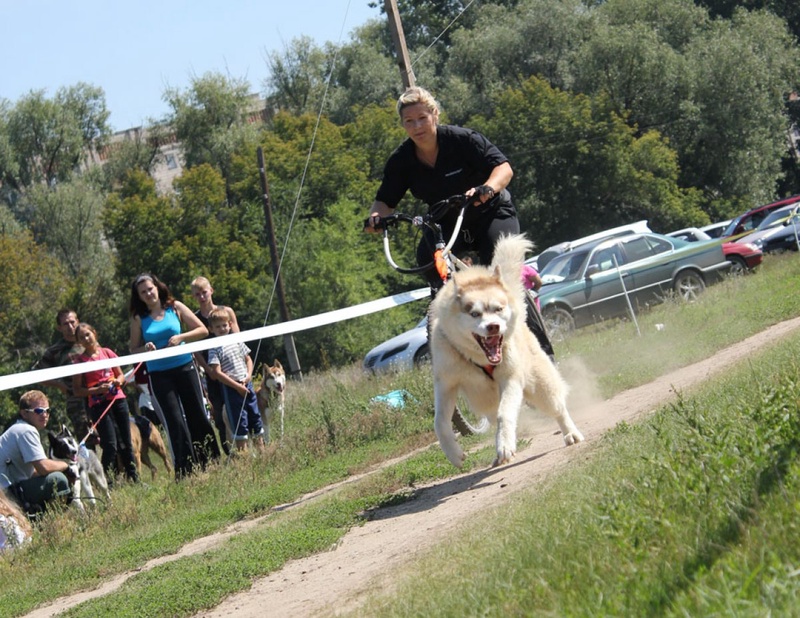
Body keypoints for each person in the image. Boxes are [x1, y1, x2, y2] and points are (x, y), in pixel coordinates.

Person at [365, 85, 519, 294]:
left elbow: (503, 168)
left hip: (490, 214)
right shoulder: (401, 161)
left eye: (422, 118)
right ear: (402, 124)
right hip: (445, 224)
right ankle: (448, 309)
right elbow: (384, 201)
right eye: (409, 121)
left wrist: (488, 188)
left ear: (435, 114)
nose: (417, 126)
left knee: (500, 268)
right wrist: (376, 218)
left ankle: (525, 320)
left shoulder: (463, 140)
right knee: (427, 260)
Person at [128, 273, 220, 478]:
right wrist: (145, 347)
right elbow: (133, 349)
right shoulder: (138, 318)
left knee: (197, 413)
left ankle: (211, 461)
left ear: (157, 287)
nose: (148, 294)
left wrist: (181, 337)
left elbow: (202, 330)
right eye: (143, 292)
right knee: (174, 420)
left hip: (185, 367)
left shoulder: (175, 307)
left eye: (150, 289)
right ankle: (186, 470)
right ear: (139, 296)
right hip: (159, 374)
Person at [71, 323, 139, 484]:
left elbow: (121, 376)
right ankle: (105, 481)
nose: (86, 339)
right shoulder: (79, 362)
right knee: (110, 445)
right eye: (82, 338)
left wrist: (117, 381)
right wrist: (96, 390)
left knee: (126, 442)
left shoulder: (107, 353)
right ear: (79, 342)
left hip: (118, 400)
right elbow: (77, 390)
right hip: (98, 405)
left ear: (94, 333)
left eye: (88, 334)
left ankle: (133, 477)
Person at [0, 391, 75, 515]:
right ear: (24, 413)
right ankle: (50, 524)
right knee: (58, 479)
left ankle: (38, 520)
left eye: (47, 410)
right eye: (39, 411)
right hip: (6, 493)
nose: (44, 414)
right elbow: (43, 468)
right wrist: (66, 466)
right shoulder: (25, 430)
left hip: (8, 490)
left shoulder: (19, 429)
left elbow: (33, 472)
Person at [191, 276, 240, 455]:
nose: (202, 297)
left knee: (239, 408)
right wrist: (207, 369)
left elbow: (238, 339)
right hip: (212, 373)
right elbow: (195, 349)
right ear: (194, 297)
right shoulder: (194, 319)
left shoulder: (226, 312)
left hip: (232, 369)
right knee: (219, 415)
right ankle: (229, 451)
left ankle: (248, 446)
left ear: (211, 291)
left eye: (204, 292)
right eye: (198, 294)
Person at [206, 308, 265, 453]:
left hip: (247, 383)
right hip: (231, 388)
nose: (221, 329)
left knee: (255, 416)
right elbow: (216, 372)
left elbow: (248, 359)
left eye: (224, 325)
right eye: (217, 326)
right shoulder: (214, 348)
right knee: (240, 421)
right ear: (211, 329)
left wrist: (249, 375)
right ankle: (243, 455)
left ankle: (263, 452)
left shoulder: (236, 341)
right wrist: (237, 386)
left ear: (230, 324)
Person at [35, 309, 89, 440]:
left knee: (112, 438)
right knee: (87, 442)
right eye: (66, 324)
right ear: (59, 328)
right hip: (77, 402)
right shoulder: (55, 351)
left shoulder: (88, 341)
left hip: (100, 395)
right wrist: (59, 385)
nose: (70, 327)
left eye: (72, 322)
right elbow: (37, 374)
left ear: (78, 322)